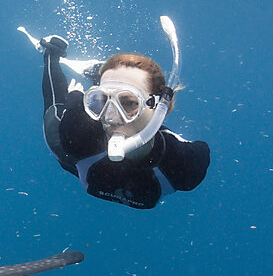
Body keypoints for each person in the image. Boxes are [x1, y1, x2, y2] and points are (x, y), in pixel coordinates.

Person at [33, 24, 210, 209]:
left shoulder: (185, 166)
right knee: (58, 114)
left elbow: (201, 153)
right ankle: (52, 54)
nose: (110, 117)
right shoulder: (76, 135)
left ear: (161, 109)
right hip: (76, 149)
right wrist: (76, 97)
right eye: (101, 100)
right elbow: (54, 101)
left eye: (129, 102)